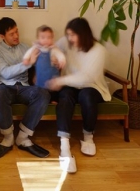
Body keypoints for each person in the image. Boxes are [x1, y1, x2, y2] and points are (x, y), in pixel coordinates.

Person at [46, 17, 111, 174]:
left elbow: (86, 77)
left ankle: (88, 136)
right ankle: (64, 145)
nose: (69, 38)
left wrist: (60, 80)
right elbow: (53, 49)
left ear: (83, 34)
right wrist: (57, 57)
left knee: (86, 96)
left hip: (92, 85)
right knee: (65, 97)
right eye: (68, 34)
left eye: (73, 35)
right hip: (70, 85)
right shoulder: (67, 42)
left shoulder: (98, 50)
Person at [0, 17, 51, 159]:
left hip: (24, 88)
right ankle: (8, 138)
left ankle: (23, 137)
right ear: (2, 36)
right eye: (11, 34)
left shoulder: (26, 48)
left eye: (17, 31)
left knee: (43, 93)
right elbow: (5, 73)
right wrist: (27, 63)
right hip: (4, 86)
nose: (16, 36)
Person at [22, 25, 66, 89]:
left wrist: (62, 61)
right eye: (43, 37)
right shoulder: (36, 48)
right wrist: (26, 59)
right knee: (39, 87)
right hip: (40, 74)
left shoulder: (53, 49)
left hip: (52, 75)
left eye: (49, 37)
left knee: (52, 86)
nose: (46, 40)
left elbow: (60, 55)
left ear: (52, 38)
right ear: (38, 38)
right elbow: (28, 52)